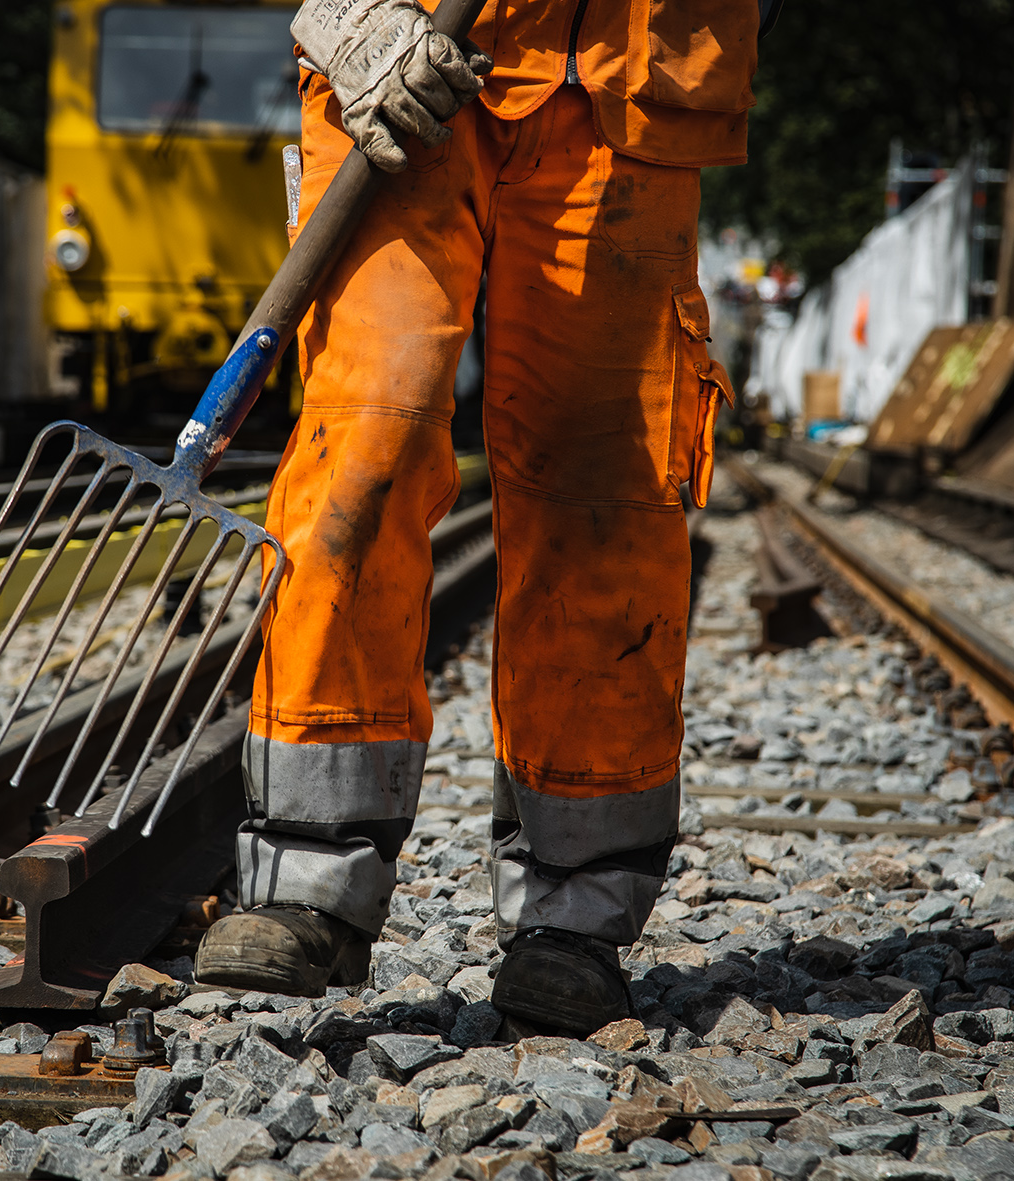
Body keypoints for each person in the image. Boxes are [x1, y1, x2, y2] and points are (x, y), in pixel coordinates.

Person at [194, 0, 774, 1034]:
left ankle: (574, 918)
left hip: (629, 81)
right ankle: (302, 880)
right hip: (402, 56)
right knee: (360, 451)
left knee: (600, 494)